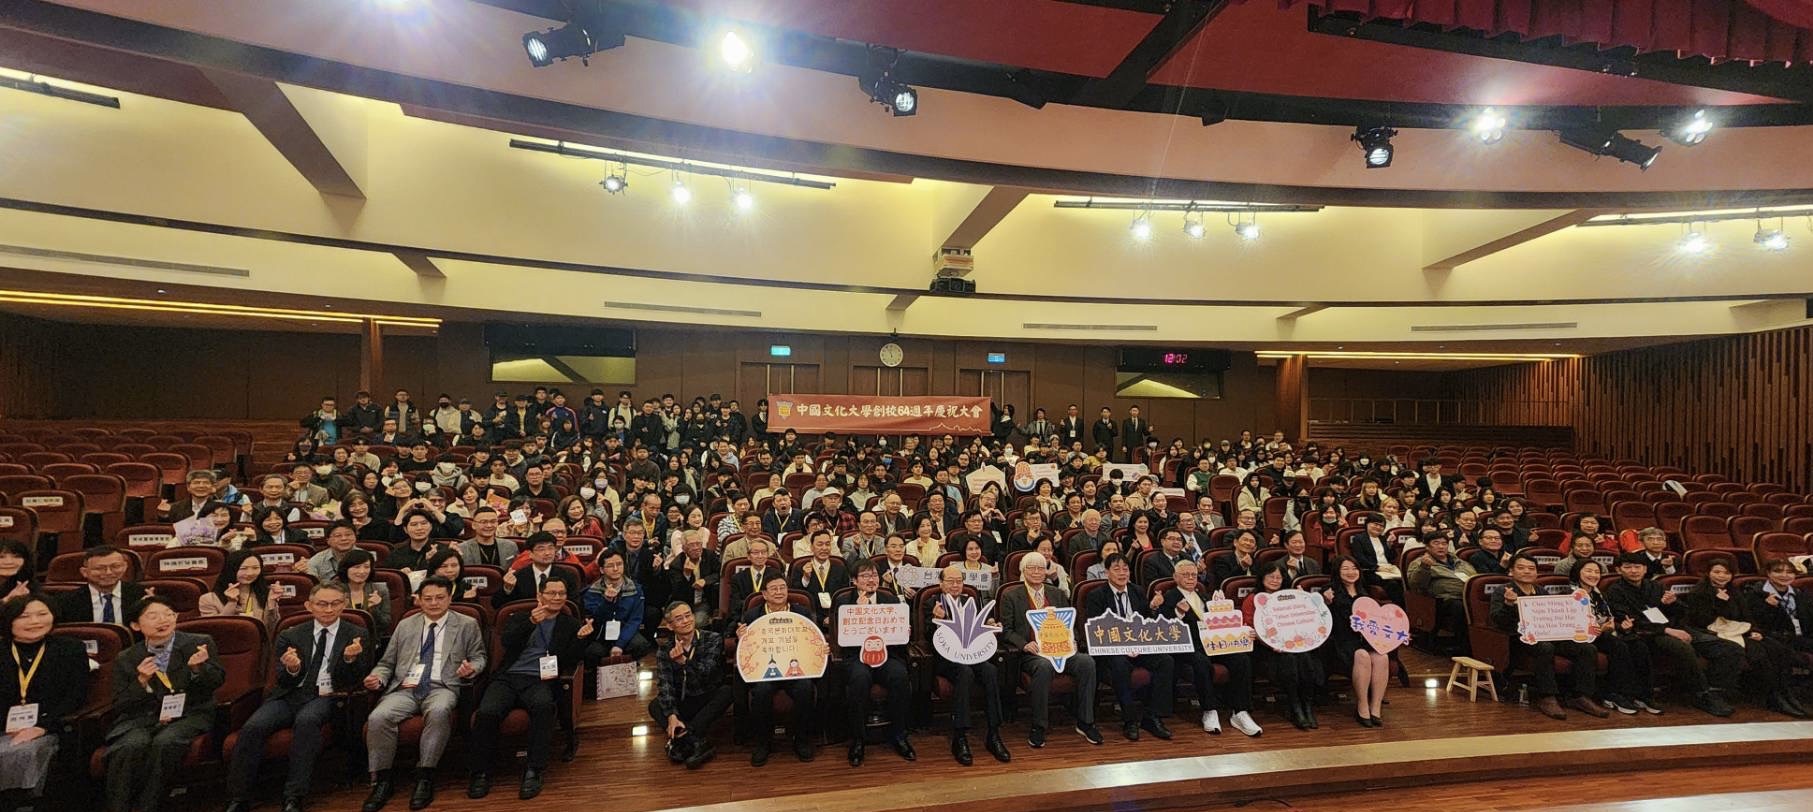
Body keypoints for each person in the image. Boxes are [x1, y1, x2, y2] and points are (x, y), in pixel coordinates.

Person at [224, 583, 375, 812]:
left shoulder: (357, 634)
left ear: (344, 605)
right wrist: (293, 668)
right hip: (289, 694)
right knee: (254, 726)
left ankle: (294, 795)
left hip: (327, 694)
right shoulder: (291, 634)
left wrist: (349, 660)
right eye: (322, 604)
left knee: (307, 721)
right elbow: (283, 679)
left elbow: (355, 679)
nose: (329, 609)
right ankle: (238, 797)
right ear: (309, 606)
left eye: (335, 603)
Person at [360, 577, 488, 812]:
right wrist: (377, 677)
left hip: (443, 686)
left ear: (450, 598)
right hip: (406, 687)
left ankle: (425, 775)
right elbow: (387, 663)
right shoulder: (405, 625)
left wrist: (472, 668)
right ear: (418, 600)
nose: (434, 603)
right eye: (428, 598)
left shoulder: (467, 624)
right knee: (378, 717)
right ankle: (382, 780)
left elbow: (479, 657)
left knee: (439, 710)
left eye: (440, 598)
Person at [467, 577, 591, 800]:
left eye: (561, 594)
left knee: (543, 707)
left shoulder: (570, 624)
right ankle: (481, 773)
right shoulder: (519, 617)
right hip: (509, 677)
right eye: (551, 593)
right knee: (487, 713)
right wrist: (531, 623)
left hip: (540, 679)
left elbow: (570, 659)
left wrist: (581, 639)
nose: (557, 598)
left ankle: (534, 770)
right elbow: (508, 642)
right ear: (539, 595)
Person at [104, 596, 224, 812]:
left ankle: (148, 806)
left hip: (189, 713)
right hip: (142, 718)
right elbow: (121, 703)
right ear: (136, 625)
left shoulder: (198, 643)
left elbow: (215, 682)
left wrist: (197, 669)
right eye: (153, 616)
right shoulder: (127, 657)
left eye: (169, 614)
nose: (163, 620)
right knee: (129, 746)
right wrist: (141, 682)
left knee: (165, 742)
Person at [1604, 551, 1740, 717]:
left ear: (1645, 569)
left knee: (1730, 648)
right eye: (1628, 567)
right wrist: (1667, 630)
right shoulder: (1615, 591)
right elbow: (1629, 621)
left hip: (1674, 627)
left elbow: (1683, 612)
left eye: (1637, 567)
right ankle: (1701, 694)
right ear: (1619, 570)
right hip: (1649, 634)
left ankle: (1715, 691)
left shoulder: (1656, 586)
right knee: (1682, 648)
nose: (1633, 571)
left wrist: (1673, 603)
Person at [999, 552, 1101, 748]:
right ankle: (1039, 726)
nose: (1037, 572)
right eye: (1032, 568)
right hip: (1033, 653)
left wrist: (1073, 640)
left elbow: (1070, 623)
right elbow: (1007, 630)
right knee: (1044, 666)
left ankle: (1086, 722)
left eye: (1041, 568)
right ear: (1023, 571)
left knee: (1086, 662)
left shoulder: (1057, 594)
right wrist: (1024, 644)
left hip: (1061, 649)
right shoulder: (1011, 596)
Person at [1680, 558, 1806, 717]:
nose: (1722, 576)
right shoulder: (1699, 592)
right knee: (1756, 652)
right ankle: (1772, 696)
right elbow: (1701, 621)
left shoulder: (1733, 590)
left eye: (1727, 573)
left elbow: (1746, 616)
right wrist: (1720, 603)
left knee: (1775, 647)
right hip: (1713, 633)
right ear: (1708, 573)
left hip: (1738, 630)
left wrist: (1754, 630)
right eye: (1717, 572)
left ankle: (1784, 693)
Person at [1490, 553, 1606, 721]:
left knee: (1587, 648)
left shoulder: (1541, 591)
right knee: (1545, 647)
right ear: (1511, 571)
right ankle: (1547, 696)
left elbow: (1553, 617)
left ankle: (1581, 696)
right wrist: (1508, 604)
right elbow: (1497, 621)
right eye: (1521, 568)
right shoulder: (1503, 591)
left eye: (1531, 568)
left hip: (1548, 634)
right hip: (1518, 638)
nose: (1527, 572)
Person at [1159, 559, 1261, 737]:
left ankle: (1240, 711)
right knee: (1201, 662)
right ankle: (1209, 709)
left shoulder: (1204, 596)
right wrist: (1179, 613)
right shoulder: (1169, 597)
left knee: (1241, 659)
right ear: (1175, 577)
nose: (1190, 578)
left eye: (1193, 575)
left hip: (1215, 644)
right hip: (1190, 646)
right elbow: (1164, 626)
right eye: (1185, 575)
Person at [0, 595, 84, 807]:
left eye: (42, 614)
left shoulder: (71, 649)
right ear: (9, 621)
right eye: (24, 616)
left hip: (50, 727)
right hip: (4, 728)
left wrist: (42, 727)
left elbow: (75, 697)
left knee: (20, 752)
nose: (35, 621)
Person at [924, 565, 1011, 765]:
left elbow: (979, 628)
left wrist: (990, 625)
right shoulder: (931, 602)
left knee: (990, 671)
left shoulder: (970, 601)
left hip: (972, 654)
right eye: (950, 581)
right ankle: (960, 736)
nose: (955, 585)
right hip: (946, 659)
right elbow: (927, 637)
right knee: (965, 673)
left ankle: (994, 733)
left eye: (959, 581)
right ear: (941, 584)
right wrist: (936, 620)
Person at [1083, 554, 1175, 741]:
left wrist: (1153, 607)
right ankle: (1130, 720)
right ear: (1107, 572)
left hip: (1139, 645)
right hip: (1113, 648)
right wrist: (1121, 644)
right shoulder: (1096, 595)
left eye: (1125, 569)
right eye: (1116, 569)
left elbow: (1147, 621)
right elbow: (1095, 628)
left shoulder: (1137, 591)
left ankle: (1152, 716)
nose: (1122, 573)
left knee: (1166, 661)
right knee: (1119, 666)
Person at [831, 559, 914, 767]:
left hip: (886, 654)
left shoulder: (890, 598)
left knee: (899, 676)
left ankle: (899, 735)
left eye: (874, 575)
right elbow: (840, 636)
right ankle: (858, 739)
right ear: (854, 581)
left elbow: (899, 633)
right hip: (856, 656)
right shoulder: (844, 601)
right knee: (859, 679)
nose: (871, 580)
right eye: (865, 576)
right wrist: (857, 611)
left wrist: (904, 631)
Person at [736, 573, 818, 766]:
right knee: (761, 692)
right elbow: (747, 649)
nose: (779, 592)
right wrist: (742, 638)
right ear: (764, 594)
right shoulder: (752, 615)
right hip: (765, 669)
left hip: (795, 667)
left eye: (782, 588)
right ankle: (763, 742)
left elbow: (811, 640)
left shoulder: (802, 613)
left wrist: (820, 648)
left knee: (805, 688)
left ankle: (801, 739)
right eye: (774, 589)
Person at [1569, 560, 1662, 716]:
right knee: (1618, 646)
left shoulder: (1598, 594)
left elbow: (1609, 619)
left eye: (1596, 572)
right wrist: (1602, 629)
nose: (1593, 575)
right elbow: (1573, 626)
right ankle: (1614, 694)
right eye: (1588, 571)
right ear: (1577, 573)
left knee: (1639, 645)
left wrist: (1621, 626)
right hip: (1582, 637)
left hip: (1605, 633)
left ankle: (1643, 694)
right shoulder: (1570, 594)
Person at [650, 600, 733, 771]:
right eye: (679, 619)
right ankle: (696, 741)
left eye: (688, 616)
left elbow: (707, 673)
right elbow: (665, 684)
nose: (686, 621)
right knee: (655, 706)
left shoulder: (712, 639)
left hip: (706, 694)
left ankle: (683, 739)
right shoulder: (665, 649)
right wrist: (672, 715)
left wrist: (684, 662)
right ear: (670, 626)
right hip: (683, 697)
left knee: (727, 692)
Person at [1242, 561, 1323, 730]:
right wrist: (1270, 643)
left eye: (1278, 577)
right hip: (1266, 649)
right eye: (1271, 577)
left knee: (1305, 658)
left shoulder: (1290, 596)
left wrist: (1305, 600)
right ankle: (1295, 707)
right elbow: (1250, 626)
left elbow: (1306, 620)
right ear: (1262, 578)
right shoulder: (1252, 599)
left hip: (1294, 644)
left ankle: (1307, 706)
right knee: (1289, 659)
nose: (1275, 580)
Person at [1323, 556, 1391, 727]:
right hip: (1341, 641)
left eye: (1354, 568)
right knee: (1362, 655)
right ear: (1337, 572)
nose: (1351, 572)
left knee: (1382, 657)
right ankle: (1362, 705)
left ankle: (1375, 707)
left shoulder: (1365, 592)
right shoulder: (1329, 591)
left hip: (1365, 639)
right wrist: (1326, 602)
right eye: (1345, 568)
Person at [1405, 535, 1476, 655]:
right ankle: (1462, 645)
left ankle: (1480, 645)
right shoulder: (1419, 562)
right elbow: (1415, 585)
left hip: (1469, 596)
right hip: (1441, 600)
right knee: (1458, 606)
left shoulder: (1460, 562)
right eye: (1436, 543)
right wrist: (1424, 568)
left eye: (1444, 543)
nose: (1441, 546)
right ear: (1427, 547)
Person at [580, 548, 651, 664]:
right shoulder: (592, 591)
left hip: (625, 631)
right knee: (591, 652)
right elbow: (595, 620)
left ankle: (629, 666)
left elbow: (635, 620)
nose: (616, 569)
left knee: (641, 645)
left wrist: (619, 644)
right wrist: (607, 601)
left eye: (619, 564)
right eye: (610, 566)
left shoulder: (635, 589)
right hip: (601, 634)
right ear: (602, 570)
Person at [50, 545, 145, 624]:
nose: (108, 572)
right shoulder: (65, 602)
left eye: (115, 566)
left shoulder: (141, 596)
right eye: (99, 568)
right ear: (84, 572)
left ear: (125, 567)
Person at [199, 550, 282, 628]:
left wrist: (271, 603)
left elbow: (271, 629)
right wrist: (231, 603)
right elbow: (215, 629)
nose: (250, 573)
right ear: (231, 570)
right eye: (243, 568)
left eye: (255, 568)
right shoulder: (208, 599)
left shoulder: (265, 593)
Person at [1746, 558, 1813, 655]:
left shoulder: (1800, 592)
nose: (1784, 575)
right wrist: (1770, 608)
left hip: (1802, 637)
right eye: (1778, 571)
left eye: (1789, 572)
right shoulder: (1756, 594)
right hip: (1775, 640)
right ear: (1768, 573)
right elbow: (1760, 625)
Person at [494, 532, 581, 608]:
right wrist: (507, 588)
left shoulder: (567, 576)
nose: (547, 553)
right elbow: (497, 604)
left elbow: (575, 606)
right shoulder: (518, 576)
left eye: (551, 548)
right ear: (530, 554)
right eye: (541, 549)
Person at [338, 549, 392, 632]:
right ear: (346, 569)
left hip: (371, 636)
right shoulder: (335, 591)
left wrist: (374, 610)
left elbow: (386, 624)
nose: (362, 571)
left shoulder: (380, 590)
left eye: (366, 567)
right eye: (356, 567)